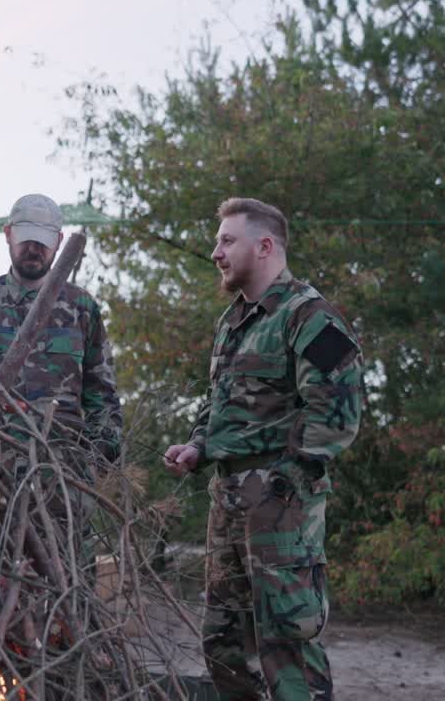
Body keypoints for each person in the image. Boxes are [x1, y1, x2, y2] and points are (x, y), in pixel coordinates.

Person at [164, 197, 363, 701]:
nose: (216, 252)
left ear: (265, 245)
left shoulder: (308, 315)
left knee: (287, 642)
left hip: (280, 504)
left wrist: (286, 487)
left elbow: (339, 412)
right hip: (227, 497)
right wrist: (198, 447)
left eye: (227, 240)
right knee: (224, 644)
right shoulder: (233, 321)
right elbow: (221, 403)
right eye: (218, 241)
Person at [0, 192, 122, 496]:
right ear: (8, 234)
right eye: (26, 238)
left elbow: (102, 395)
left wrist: (92, 460)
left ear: (58, 241)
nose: (34, 248)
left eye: (43, 241)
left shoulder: (81, 307)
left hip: (63, 475)